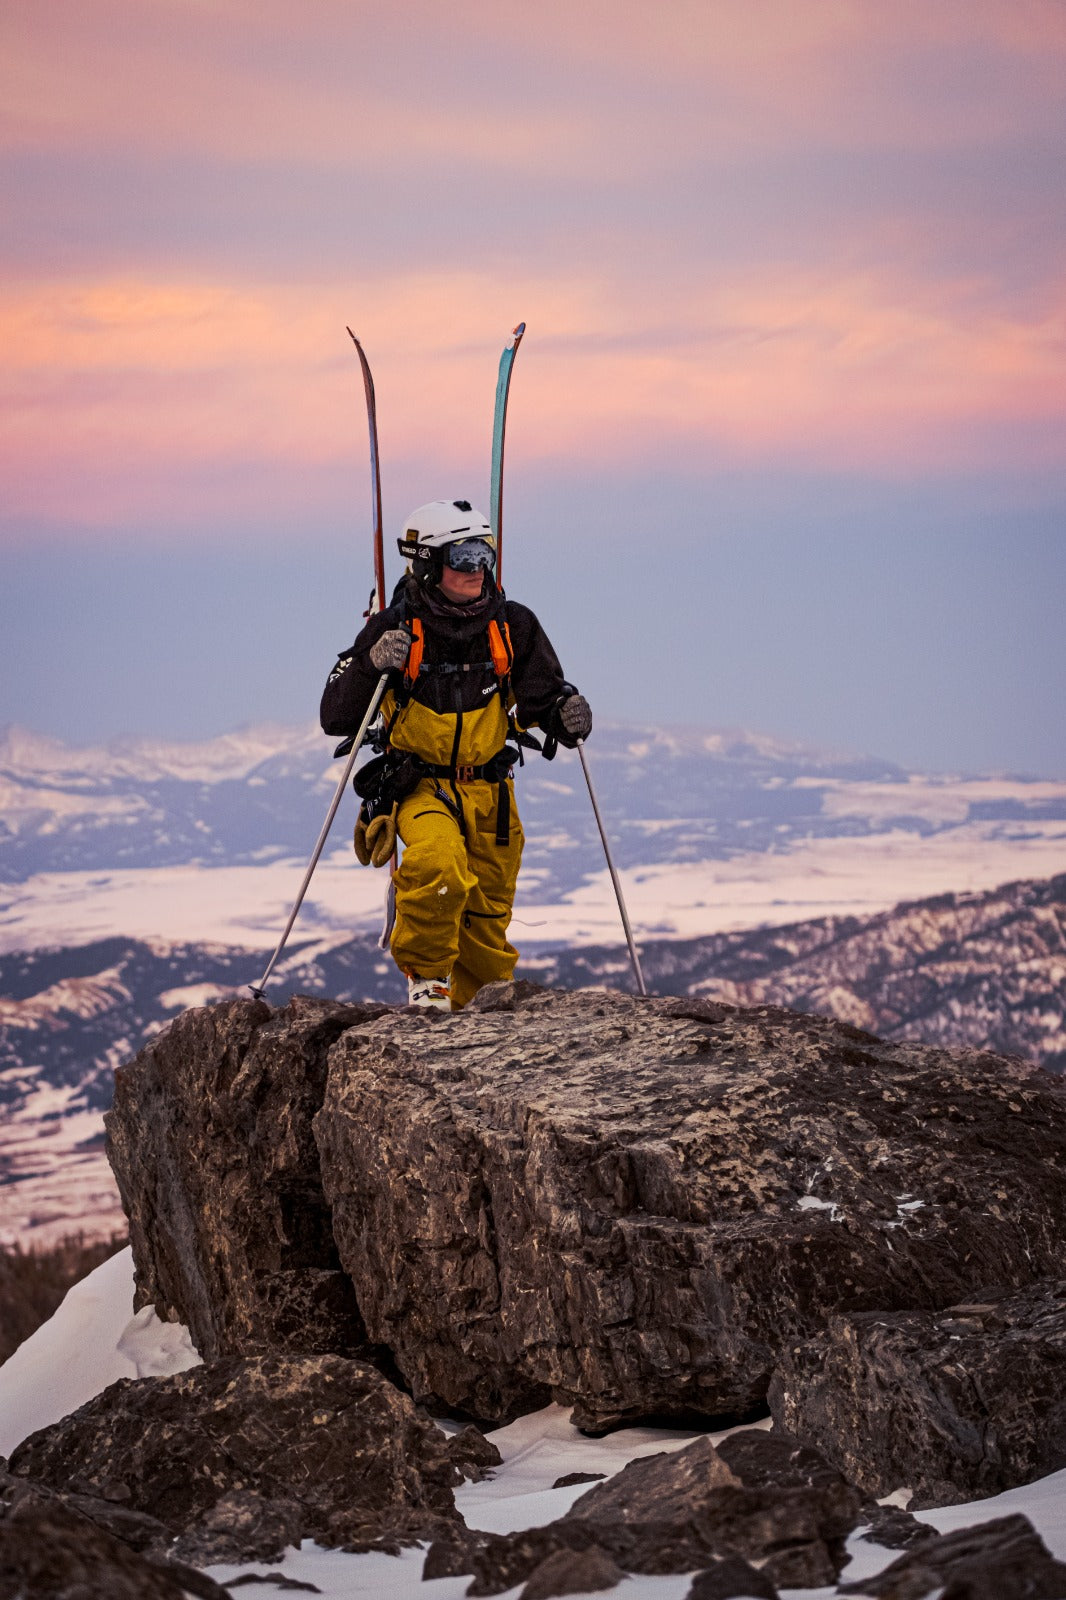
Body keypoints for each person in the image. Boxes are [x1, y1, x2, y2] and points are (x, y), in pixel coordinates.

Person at [321, 500, 591, 1010]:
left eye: (482, 554)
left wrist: (566, 713)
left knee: (487, 912)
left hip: (490, 791)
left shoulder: (512, 625)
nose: (477, 568)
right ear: (426, 562)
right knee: (439, 867)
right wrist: (371, 664)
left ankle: (480, 1007)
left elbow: (542, 697)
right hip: (420, 784)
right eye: (463, 556)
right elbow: (336, 714)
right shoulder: (393, 629)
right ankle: (429, 983)